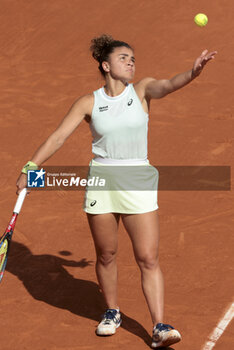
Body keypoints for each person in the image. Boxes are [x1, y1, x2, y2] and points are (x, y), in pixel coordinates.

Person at [16, 34, 217, 348]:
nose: (131, 62)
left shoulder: (143, 90)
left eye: (133, 58)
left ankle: (159, 326)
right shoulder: (89, 102)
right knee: (106, 255)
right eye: (124, 58)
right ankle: (112, 312)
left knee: (147, 257)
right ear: (105, 65)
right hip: (103, 181)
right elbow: (58, 138)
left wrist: (192, 73)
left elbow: (169, 84)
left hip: (138, 179)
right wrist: (32, 166)